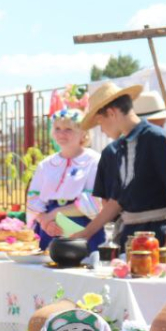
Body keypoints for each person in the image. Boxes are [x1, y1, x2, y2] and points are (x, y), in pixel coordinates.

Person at [73, 82, 166, 251]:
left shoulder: (157, 138)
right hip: (129, 237)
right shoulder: (121, 146)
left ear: (111, 113)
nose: (101, 130)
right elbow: (116, 201)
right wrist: (85, 233)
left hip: (157, 236)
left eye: (100, 122)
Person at [25, 105, 102, 250]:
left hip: (83, 227)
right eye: (57, 129)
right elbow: (34, 200)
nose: (61, 134)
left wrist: (53, 214)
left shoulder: (94, 160)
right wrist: (45, 222)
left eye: (68, 129)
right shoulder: (46, 165)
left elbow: (95, 200)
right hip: (49, 229)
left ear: (83, 133)